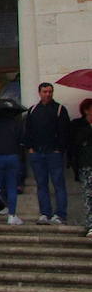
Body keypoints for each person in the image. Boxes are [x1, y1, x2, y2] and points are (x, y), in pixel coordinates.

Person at [23, 82, 71, 225]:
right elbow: (28, 131)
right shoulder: (33, 110)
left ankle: (60, 214)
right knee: (41, 184)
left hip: (54, 153)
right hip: (37, 153)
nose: (48, 94)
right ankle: (45, 213)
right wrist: (30, 148)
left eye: (50, 91)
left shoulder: (59, 109)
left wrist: (59, 149)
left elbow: (65, 132)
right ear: (39, 93)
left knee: (58, 184)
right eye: (45, 91)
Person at [67, 99, 92, 238]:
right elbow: (76, 142)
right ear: (86, 110)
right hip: (86, 166)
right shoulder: (78, 125)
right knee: (89, 196)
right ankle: (91, 224)